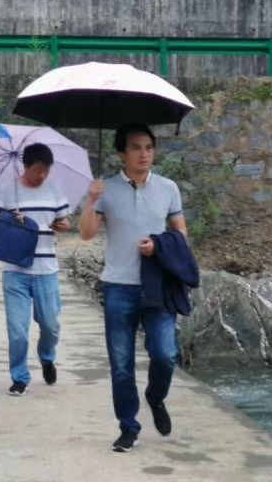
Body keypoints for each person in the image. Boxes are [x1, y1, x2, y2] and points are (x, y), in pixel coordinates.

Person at [79, 123, 188, 452]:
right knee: (121, 364)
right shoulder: (106, 189)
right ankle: (128, 426)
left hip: (158, 286)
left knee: (165, 355)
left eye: (149, 147)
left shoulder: (168, 188)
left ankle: (156, 397)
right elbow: (86, 233)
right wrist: (91, 199)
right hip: (118, 287)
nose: (144, 154)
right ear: (121, 154)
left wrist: (160, 246)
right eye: (136, 148)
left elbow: (181, 232)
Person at [0, 143, 71, 396]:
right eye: (37, 170)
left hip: (47, 270)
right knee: (17, 331)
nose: (42, 175)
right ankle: (19, 377)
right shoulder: (8, 190)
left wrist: (63, 226)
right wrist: (9, 219)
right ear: (26, 166)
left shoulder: (54, 188)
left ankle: (46, 356)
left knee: (50, 325)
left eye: (46, 170)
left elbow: (65, 221)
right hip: (15, 270)